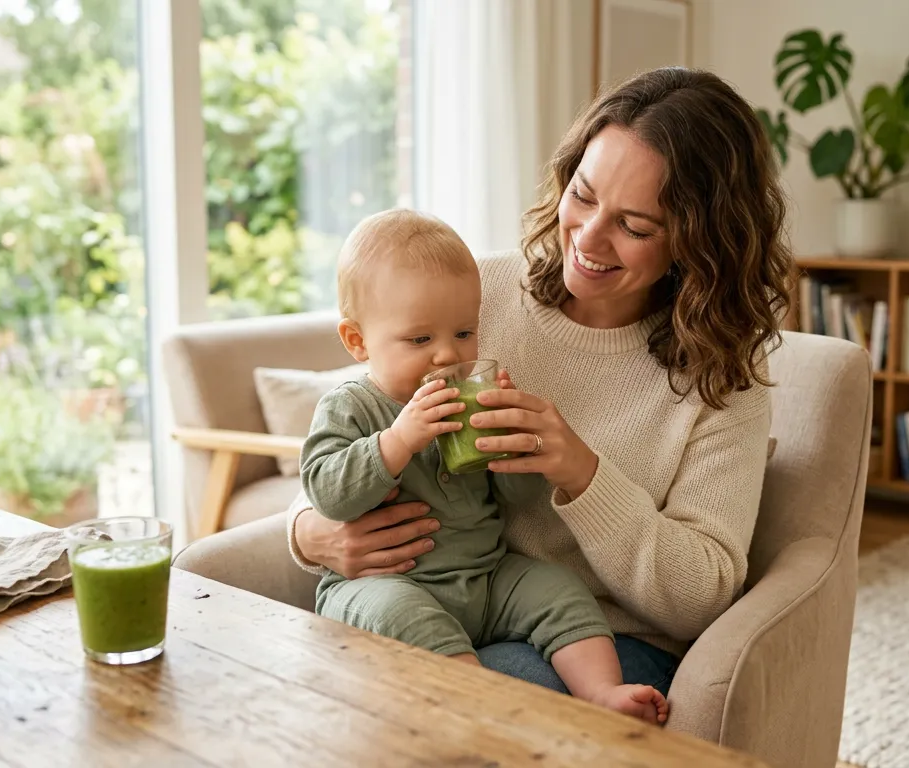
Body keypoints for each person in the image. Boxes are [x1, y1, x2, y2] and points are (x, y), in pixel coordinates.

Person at [179, 66, 792, 699]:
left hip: (600, 637)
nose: (588, 236)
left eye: (635, 227)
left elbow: (705, 593)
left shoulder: (724, 374)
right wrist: (313, 534)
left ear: (699, 242)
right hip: (429, 595)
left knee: (452, 713)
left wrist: (580, 472)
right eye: (582, 196)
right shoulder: (477, 294)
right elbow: (352, 427)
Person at [300, 208, 669, 723]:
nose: (447, 356)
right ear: (358, 341)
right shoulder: (351, 407)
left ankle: (603, 691)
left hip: (486, 576)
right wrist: (398, 440)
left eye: (464, 334)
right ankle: (470, 696)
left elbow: (514, 503)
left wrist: (513, 451)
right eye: (420, 340)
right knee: (401, 614)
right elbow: (325, 490)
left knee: (556, 588)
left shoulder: (469, 399)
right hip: (388, 585)